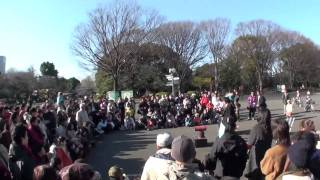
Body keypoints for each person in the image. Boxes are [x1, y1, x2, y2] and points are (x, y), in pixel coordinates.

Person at [245, 102, 273, 180]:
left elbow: (250, 143)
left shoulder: (256, 128)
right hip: (266, 154)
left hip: (256, 157)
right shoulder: (269, 128)